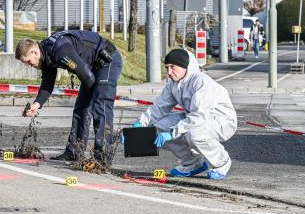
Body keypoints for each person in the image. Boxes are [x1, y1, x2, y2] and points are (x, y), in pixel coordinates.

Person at [15, 30, 122, 163]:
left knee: (101, 105)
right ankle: (74, 152)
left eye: (29, 62)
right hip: (92, 68)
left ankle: (103, 157)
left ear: (34, 52)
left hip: (108, 61)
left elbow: (87, 76)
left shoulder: (59, 49)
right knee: (81, 108)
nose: (30, 65)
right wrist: (36, 105)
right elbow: (47, 84)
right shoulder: (47, 54)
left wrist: (99, 95)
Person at [133, 48, 237, 179]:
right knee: (159, 127)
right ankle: (193, 163)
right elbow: (159, 107)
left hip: (222, 120)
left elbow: (200, 115)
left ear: (184, 66)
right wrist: (139, 125)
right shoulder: (173, 84)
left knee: (194, 133)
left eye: (172, 67)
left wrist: (172, 133)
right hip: (195, 117)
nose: (169, 72)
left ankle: (222, 161)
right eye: (167, 68)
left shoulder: (201, 82)